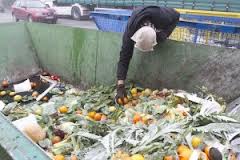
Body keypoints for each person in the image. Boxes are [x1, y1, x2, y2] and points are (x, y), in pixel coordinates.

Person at [115, 6, 180, 101]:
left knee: (162, 37)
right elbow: (124, 58)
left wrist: (165, 33)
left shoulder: (163, 16)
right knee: (126, 52)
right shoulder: (129, 33)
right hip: (138, 15)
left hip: (155, 16)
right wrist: (120, 85)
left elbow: (177, 15)